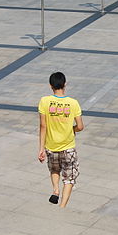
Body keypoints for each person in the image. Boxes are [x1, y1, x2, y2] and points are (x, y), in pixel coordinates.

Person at [38, 72, 84, 208]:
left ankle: (55, 190)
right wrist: (73, 130)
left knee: (54, 169)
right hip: (68, 146)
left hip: (51, 146)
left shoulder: (44, 101)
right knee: (69, 178)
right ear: (65, 84)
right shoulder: (73, 103)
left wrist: (41, 148)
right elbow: (81, 126)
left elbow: (42, 126)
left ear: (50, 86)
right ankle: (62, 206)